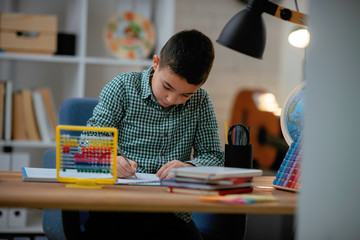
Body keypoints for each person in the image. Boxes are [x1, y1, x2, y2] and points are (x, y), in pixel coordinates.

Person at [81, 29, 224, 240]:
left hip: (172, 212)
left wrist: (191, 167)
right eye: (167, 86)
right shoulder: (122, 87)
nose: (172, 98)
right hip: (116, 207)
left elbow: (215, 157)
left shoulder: (201, 101)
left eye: (186, 94)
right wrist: (111, 161)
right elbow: (87, 145)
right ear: (156, 62)